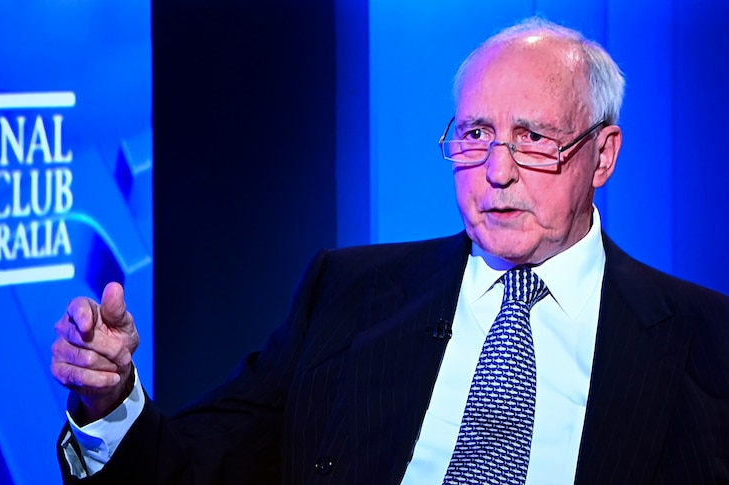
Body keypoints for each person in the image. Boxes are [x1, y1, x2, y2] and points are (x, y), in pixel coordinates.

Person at [51, 17, 729, 484]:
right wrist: (109, 401)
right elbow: (193, 467)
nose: (497, 170)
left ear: (603, 156)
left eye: (532, 138)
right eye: (474, 135)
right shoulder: (345, 293)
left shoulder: (707, 340)